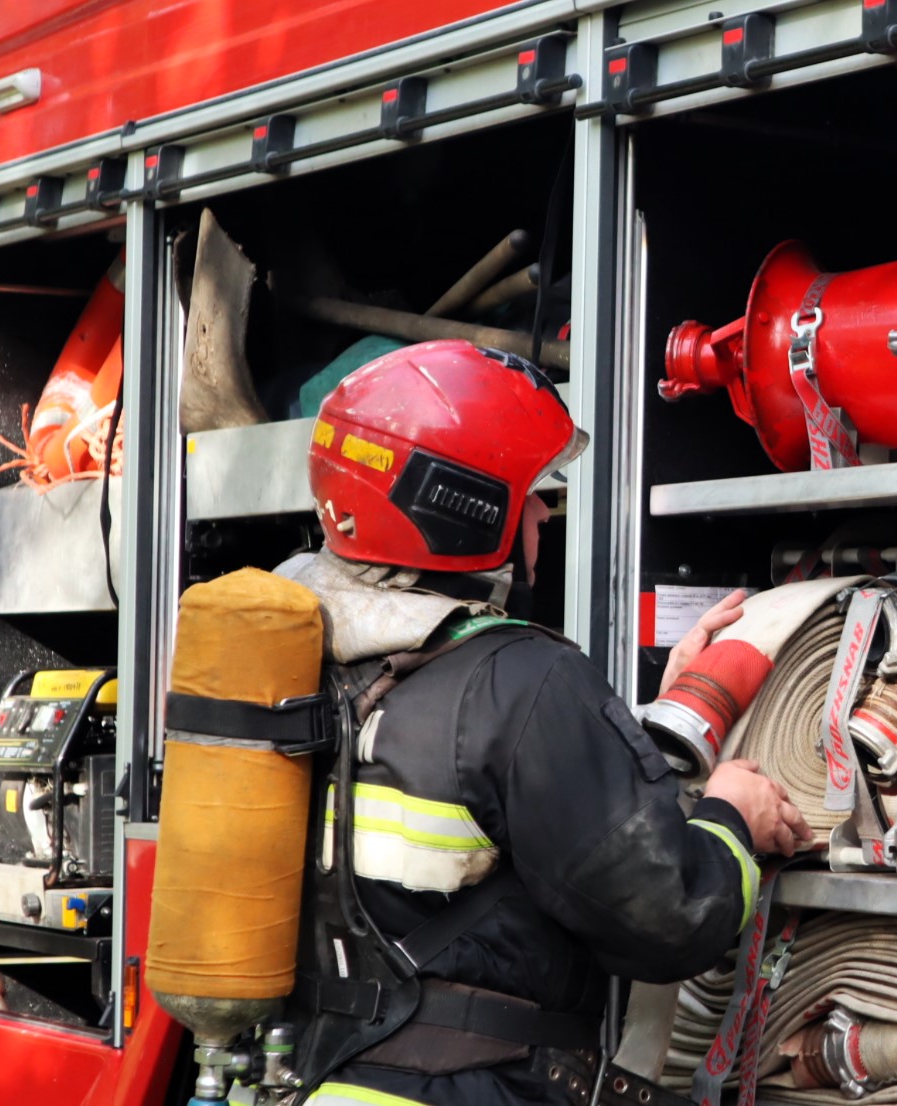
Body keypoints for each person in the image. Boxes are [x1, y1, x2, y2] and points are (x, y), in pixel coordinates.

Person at [276, 339, 814, 1106]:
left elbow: (506, 798)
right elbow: (667, 918)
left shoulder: (300, 654)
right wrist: (734, 817)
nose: (546, 508)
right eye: (530, 487)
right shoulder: (523, 679)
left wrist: (658, 711)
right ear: (465, 505)